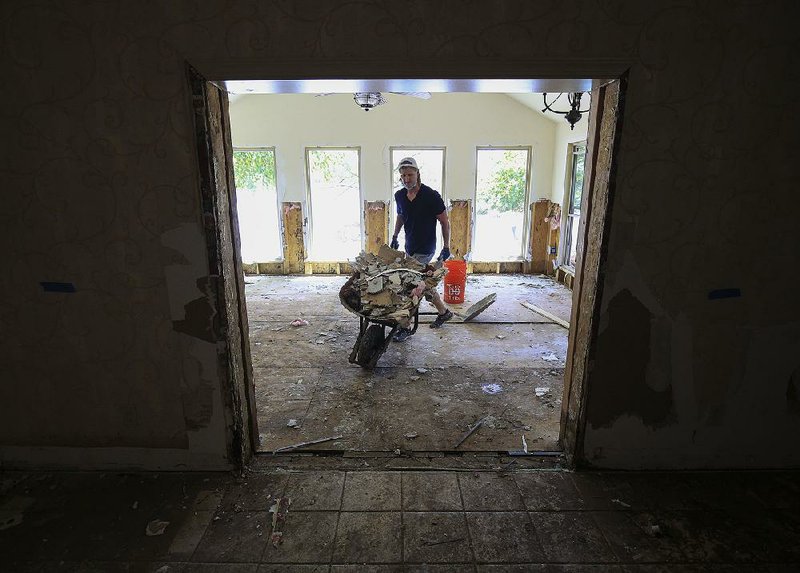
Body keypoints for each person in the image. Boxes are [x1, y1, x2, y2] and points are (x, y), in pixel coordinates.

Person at [390, 157, 453, 341]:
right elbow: (401, 216)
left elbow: (444, 221)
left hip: (426, 248)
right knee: (425, 285)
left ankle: (405, 327)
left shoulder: (431, 196)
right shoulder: (399, 195)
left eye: (410, 174)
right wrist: (395, 236)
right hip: (410, 247)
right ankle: (443, 312)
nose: (406, 179)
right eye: (403, 176)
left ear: (418, 174)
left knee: (412, 287)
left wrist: (446, 246)